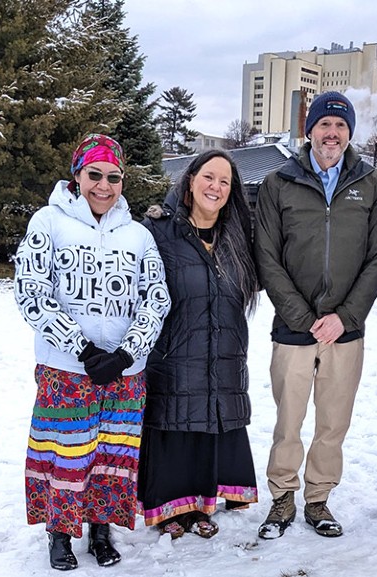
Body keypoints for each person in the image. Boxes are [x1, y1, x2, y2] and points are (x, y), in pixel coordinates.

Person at [14, 133, 171, 570]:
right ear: (77, 175)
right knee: (67, 451)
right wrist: (82, 349)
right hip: (66, 368)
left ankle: (102, 529)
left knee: (113, 452)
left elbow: (156, 299)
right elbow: (31, 291)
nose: (104, 185)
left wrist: (124, 355)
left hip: (125, 371)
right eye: (94, 175)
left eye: (114, 177)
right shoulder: (48, 222)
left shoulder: (138, 235)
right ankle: (60, 532)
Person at [254, 91, 377, 539]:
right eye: (324, 125)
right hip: (294, 328)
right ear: (309, 130)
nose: (332, 134)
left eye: (341, 126)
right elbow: (267, 256)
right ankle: (282, 497)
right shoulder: (279, 183)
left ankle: (318, 499)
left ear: (349, 133)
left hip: (344, 332)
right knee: (288, 420)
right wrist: (299, 314)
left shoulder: (371, 184)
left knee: (333, 422)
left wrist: (345, 317)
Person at [137, 149, 259, 540]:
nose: (216, 187)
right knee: (174, 427)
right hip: (173, 354)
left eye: (225, 181)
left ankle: (202, 503)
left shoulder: (237, 238)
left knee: (209, 427)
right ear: (190, 180)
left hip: (223, 353)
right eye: (209, 177)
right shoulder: (160, 232)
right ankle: (170, 509)